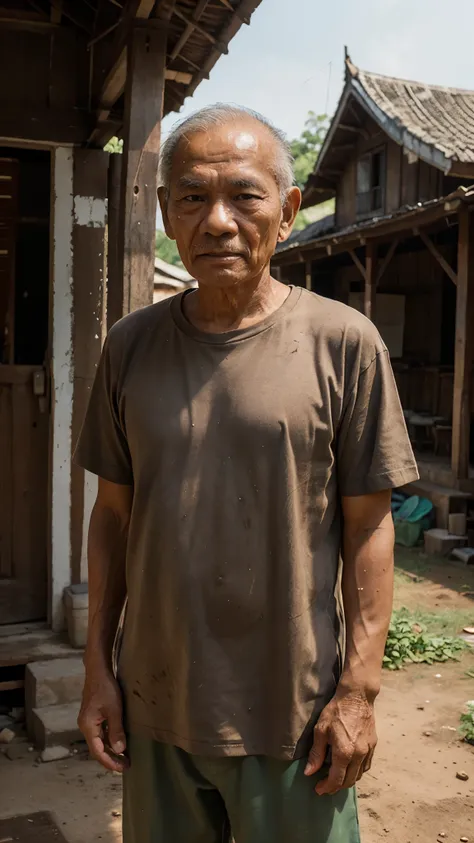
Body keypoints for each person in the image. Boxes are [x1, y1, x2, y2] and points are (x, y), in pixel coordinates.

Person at [75, 104, 419, 843]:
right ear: (167, 213)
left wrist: (357, 690)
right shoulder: (130, 348)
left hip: (293, 719)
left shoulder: (344, 344)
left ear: (288, 211)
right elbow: (112, 516)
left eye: (244, 195)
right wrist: (97, 667)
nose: (219, 221)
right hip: (155, 707)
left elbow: (369, 527)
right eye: (193, 197)